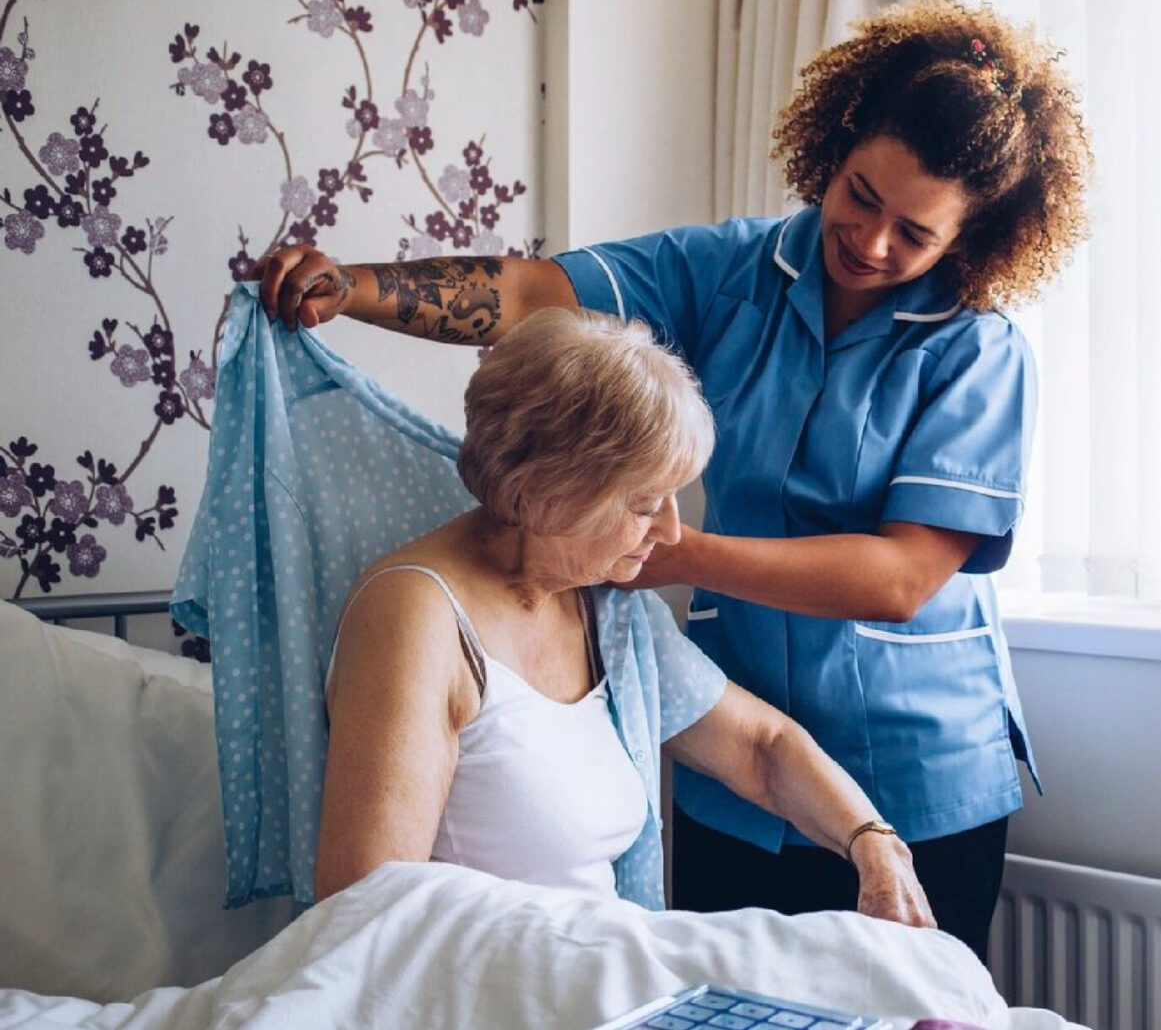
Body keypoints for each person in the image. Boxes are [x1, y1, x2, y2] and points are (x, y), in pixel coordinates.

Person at [259, 0, 1092, 960]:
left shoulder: (978, 351)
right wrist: (353, 288)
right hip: (733, 777)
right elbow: (531, 294)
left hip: (915, 772)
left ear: (974, 238)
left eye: (915, 234)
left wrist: (661, 545)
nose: (871, 242)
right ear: (838, 147)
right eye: (862, 197)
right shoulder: (729, 271)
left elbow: (901, 579)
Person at [316, 304, 934, 929]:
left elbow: (761, 746)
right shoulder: (417, 617)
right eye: (643, 505)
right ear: (540, 492)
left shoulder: (604, 606)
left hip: (595, 974)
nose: (670, 530)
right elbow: (365, 913)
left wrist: (871, 840)